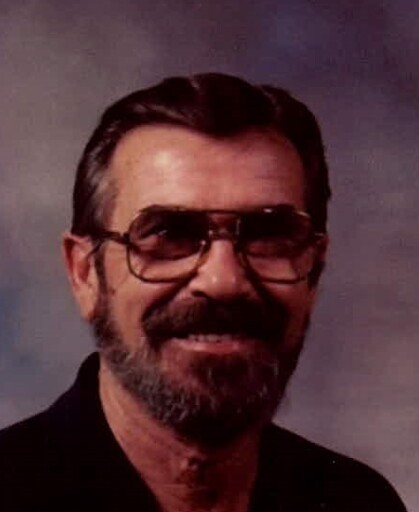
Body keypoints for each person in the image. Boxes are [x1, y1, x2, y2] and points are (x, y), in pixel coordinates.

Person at [0, 73, 406, 512]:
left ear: (315, 269)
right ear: (85, 274)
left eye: (268, 235)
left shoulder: (358, 501)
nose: (223, 281)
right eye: (169, 234)